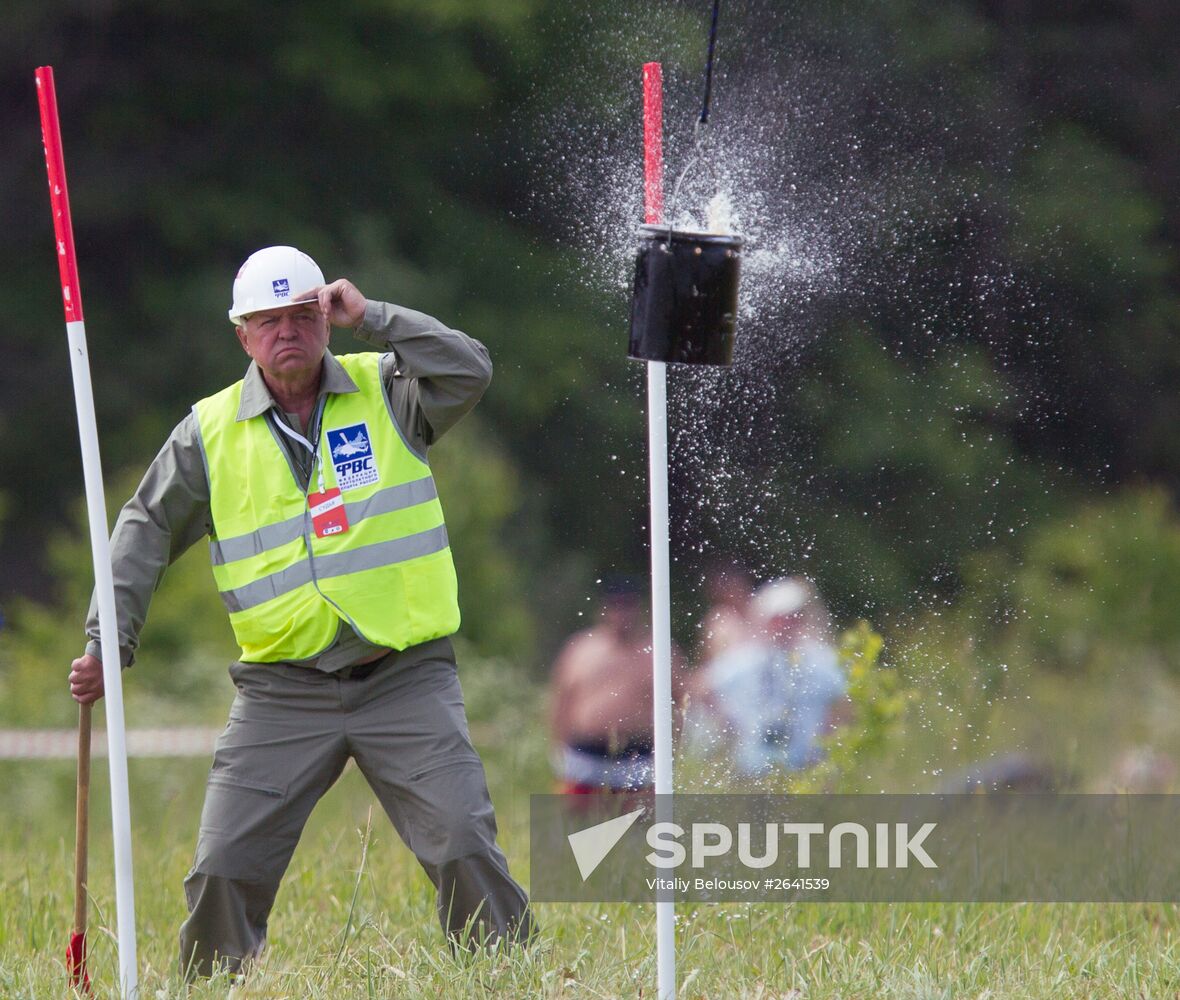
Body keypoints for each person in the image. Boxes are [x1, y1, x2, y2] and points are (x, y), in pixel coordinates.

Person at [67, 246, 532, 978]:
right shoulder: (208, 433)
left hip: (403, 677)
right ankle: (212, 987)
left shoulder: (390, 390)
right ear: (242, 336)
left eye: (300, 315)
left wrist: (374, 318)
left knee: (463, 842)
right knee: (223, 865)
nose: (287, 332)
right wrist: (107, 640)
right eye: (267, 321)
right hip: (281, 692)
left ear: (326, 316)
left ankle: (510, 978)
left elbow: (470, 368)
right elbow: (143, 529)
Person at [689, 577, 847, 777]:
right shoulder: (746, 659)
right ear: (766, 620)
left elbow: (846, 698)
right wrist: (729, 727)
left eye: (793, 617)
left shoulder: (820, 659)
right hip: (754, 771)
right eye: (779, 618)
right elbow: (701, 688)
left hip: (804, 771)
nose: (786, 624)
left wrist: (830, 740)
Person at [548, 577, 686, 796]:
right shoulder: (582, 649)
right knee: (575, 826)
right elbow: (561, 701)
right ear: (604, 610)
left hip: (638, 757)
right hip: (584, 756)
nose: (622, 614)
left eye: (628, 606)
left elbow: (682, 703)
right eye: (616, 606)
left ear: (639, 609)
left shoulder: (658, 650)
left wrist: (672, 753)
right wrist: (558, 749)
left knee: (640, 825)